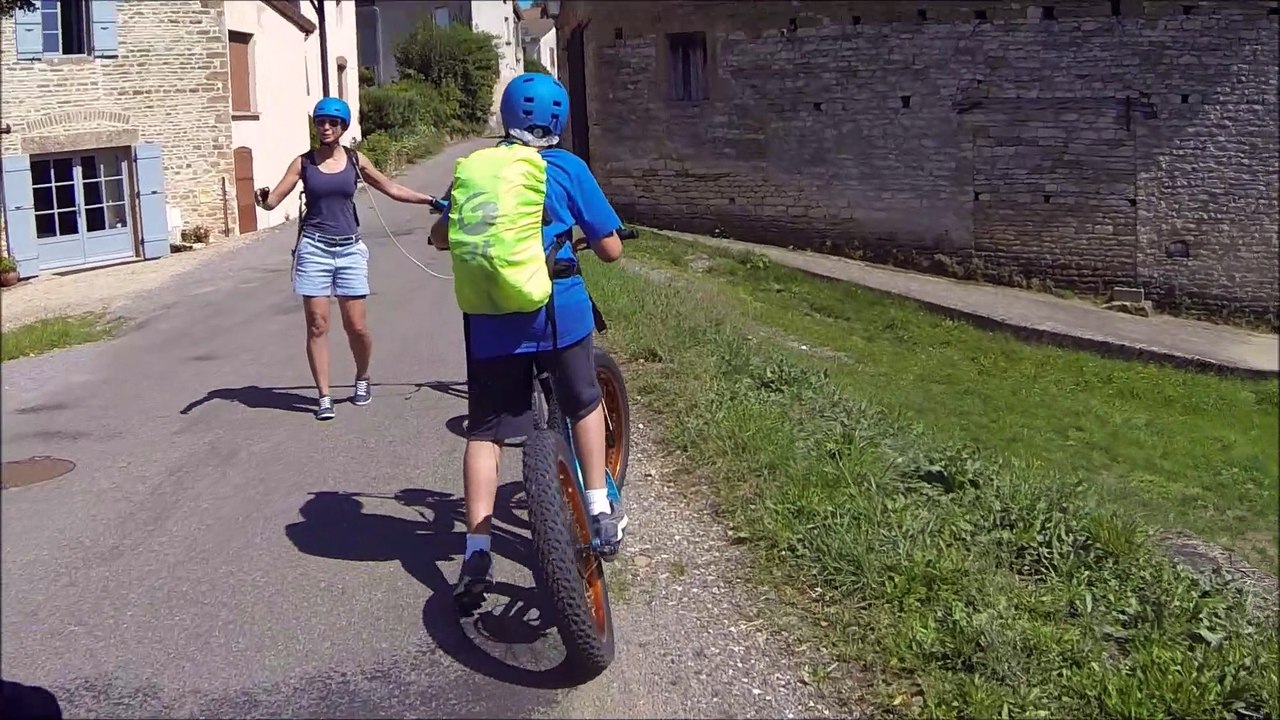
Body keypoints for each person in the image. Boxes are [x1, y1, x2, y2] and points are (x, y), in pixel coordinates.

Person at [427, 73, 628, 609]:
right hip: (558, 312)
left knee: (487, 431)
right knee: (584, 401)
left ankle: (475, 550)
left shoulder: (478, 170)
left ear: (507, 116)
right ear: (558, 122)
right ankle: (598, 508)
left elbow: (442, 237)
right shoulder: (568, 168)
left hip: (492, 320)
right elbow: (610, 251)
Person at [255, 97, 437, 421]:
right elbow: (274, 200)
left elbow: (390, 187)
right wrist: (264, 199)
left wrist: (431, 200)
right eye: (321, 122)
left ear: (342, 128)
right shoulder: (303, 163)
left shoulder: (355, 160)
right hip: (314, 249)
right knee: (317, 325)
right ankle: (324, 396)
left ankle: (362, 375)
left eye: (332, 123)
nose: (326, 128)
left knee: (357, 327)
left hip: (350, 250)